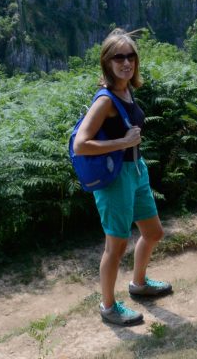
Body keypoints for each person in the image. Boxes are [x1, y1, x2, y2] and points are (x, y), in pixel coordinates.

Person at [73, 28, 172, 326]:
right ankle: (108, 307)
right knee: (115, 248)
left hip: (136, 171)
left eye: (131, 56)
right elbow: (80, 145)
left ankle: (139, 284)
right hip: (115, 179)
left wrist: (132, 151)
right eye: (119, 57)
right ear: (107, 62)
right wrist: (122, 143)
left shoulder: (127, 90)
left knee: (153, 233)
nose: (126, 62)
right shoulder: (104, 100)